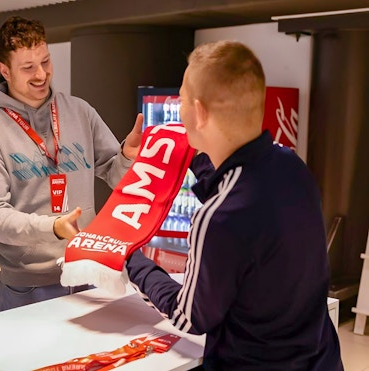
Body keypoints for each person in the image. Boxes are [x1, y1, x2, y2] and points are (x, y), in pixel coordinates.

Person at [126, 40, 343, 370]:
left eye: (181, 100)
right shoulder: (293, 167)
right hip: (320, 360)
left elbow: (189, 317)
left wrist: (130, 258)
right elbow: (239, 187)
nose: (179, 110)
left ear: (199, 112)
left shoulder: (217, 219)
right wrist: (183, 155)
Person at [0, 15, 142, 312]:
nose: (41, 74)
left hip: (87, 270)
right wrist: (54, 228)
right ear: (5, 71)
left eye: (45, 62)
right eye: (28, 68)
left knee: (92, 358)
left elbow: (115, 175)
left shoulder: (79, 111)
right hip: (29, 285)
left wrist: (127, 157)